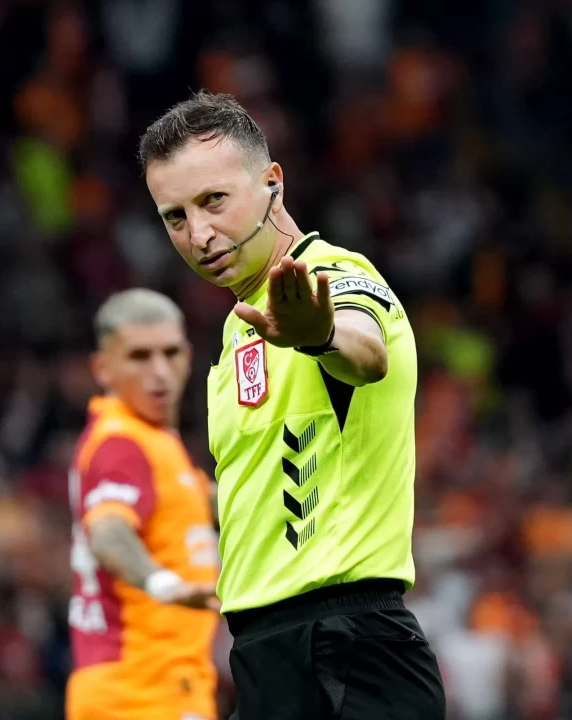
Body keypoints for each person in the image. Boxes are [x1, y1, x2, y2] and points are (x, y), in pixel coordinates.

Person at [139, 91, 446, 719]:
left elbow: (365, 351)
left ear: (272, 183)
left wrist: (322, 334)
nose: (198, 234)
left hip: (347, 647)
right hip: (267, 655)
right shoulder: (239, 329)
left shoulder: (333, 275)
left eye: (214, 200)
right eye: (175, 217)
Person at [67, 288, 221, 720]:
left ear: (188, 356)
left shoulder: (154, 442)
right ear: (102, 368)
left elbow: (209, 504)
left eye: (170, 353)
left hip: (152, 686)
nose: (160, 372)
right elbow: (108, 531)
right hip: (140, 690)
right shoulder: (122, 443)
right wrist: (164, 584)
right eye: (139, 356)